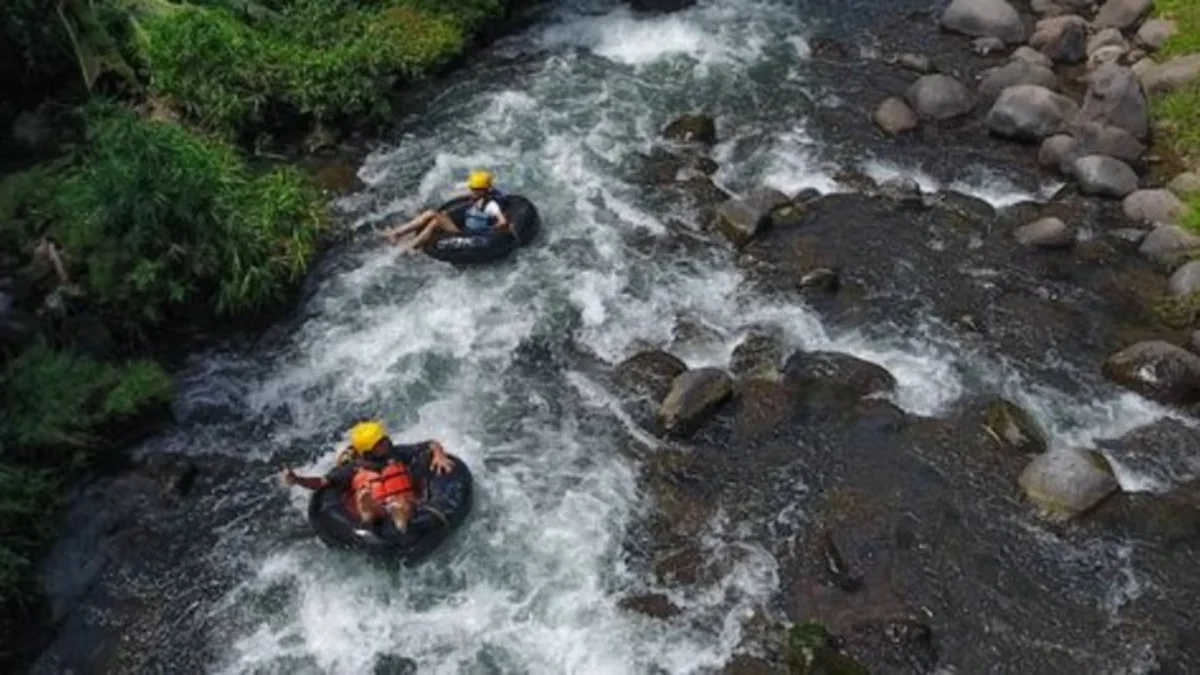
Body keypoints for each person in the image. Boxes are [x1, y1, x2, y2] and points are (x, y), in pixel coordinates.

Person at [281, 420, 455, 532]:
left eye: (384, 438)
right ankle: (368, 512)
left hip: (406, 502)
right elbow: (321, 482)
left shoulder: (397, 454)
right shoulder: (352, 469)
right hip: (379, 507)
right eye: (380, 442)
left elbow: (430, 444)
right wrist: (297, 479)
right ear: (369, 450)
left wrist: (439, 455)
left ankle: (397, 514)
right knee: (373, 503)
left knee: (402, 503)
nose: (386, 441)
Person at [383, 170, 509, 250]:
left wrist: (495, 228)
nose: (472, 190)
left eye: (475, 189)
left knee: (436, 220)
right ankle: (398, 233)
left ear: (484, 190)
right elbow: (465, 196)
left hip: (471, 236)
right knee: (432, 213)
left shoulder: (491, 205)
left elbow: (502, 221)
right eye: (472, 188)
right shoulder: (478, 196)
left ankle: (413, 245)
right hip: (466, 229)